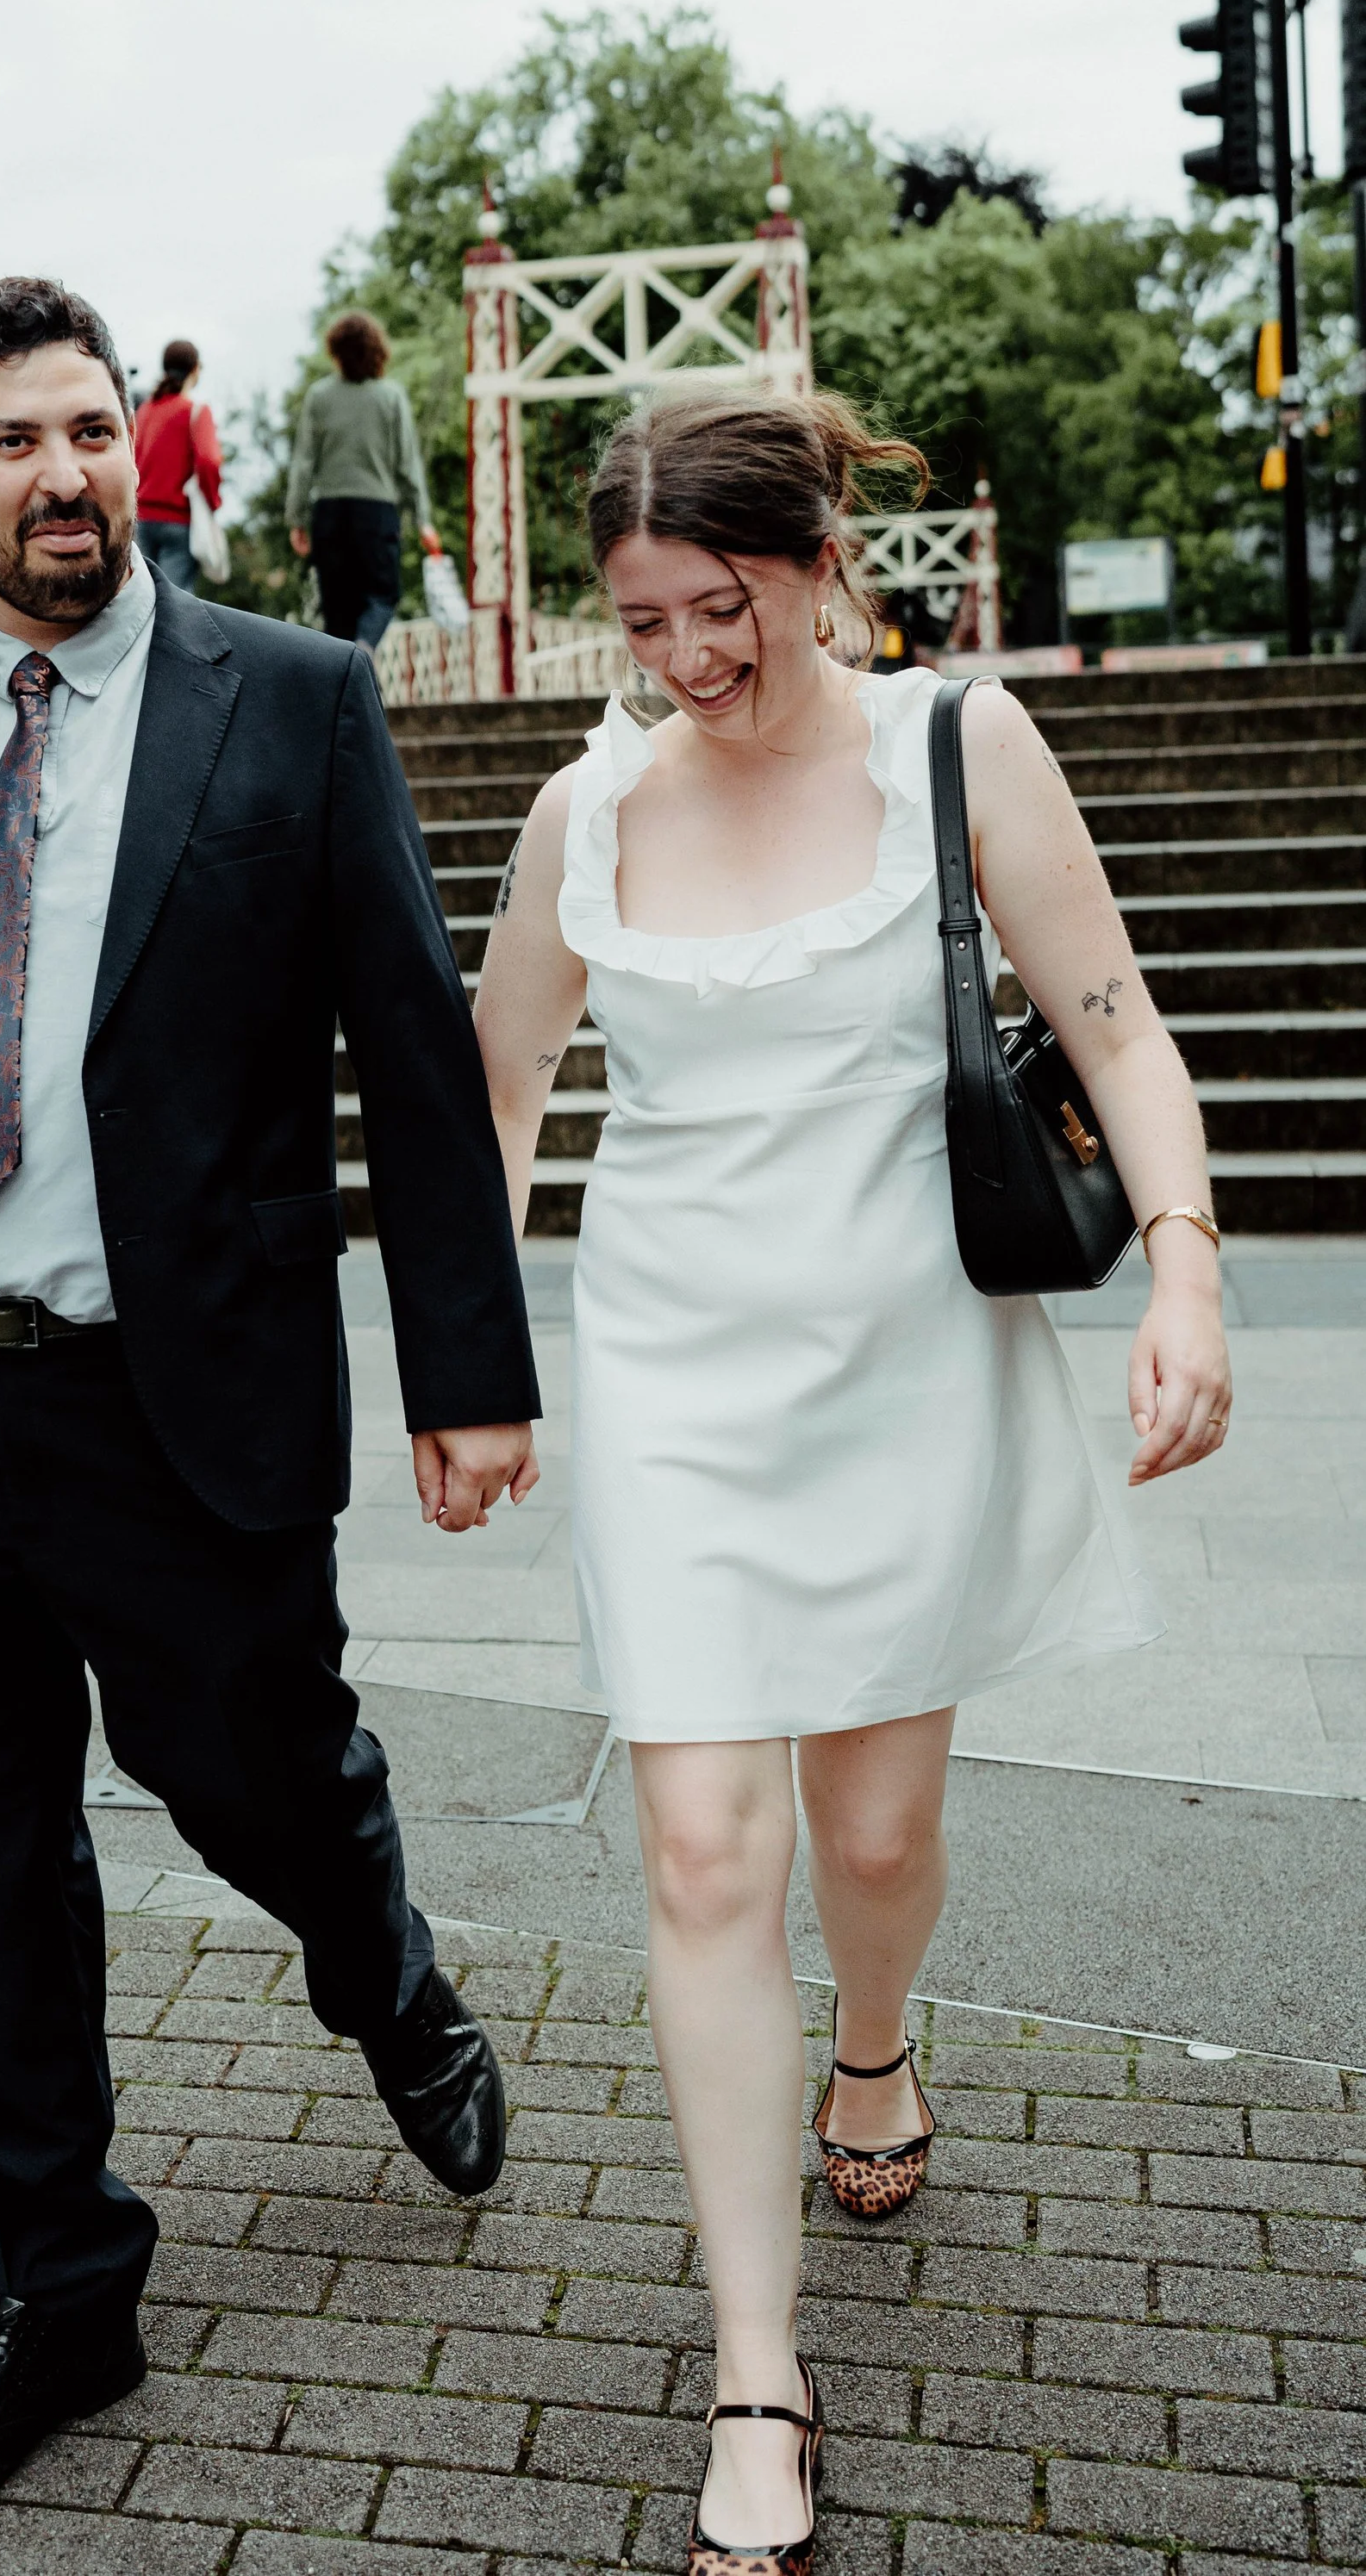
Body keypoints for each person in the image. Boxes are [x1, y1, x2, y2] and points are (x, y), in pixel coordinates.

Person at [0, 276, 540, 2536]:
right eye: (15, 442)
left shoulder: (294, 699)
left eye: (92, 434)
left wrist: (464, 1367)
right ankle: (55, 2286)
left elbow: (410, 1050)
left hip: (183, 1409)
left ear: (135, 460)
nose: (66, 475)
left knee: (252, 1775)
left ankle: (378, 1955)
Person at [471, 389, 1230, 2574]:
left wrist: (1181, 1268)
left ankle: (876, 2045)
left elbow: (1117, 1021)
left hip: (911, 1351)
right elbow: (494, 1083)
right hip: (678, 1376)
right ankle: (756, 2371)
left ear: (814, 560)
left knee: (870, 1826)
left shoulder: (955, 749)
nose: (692, 655)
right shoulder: (582, 809)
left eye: (727, 604)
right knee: (705, 1852)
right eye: (644, 621)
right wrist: (469, 1354)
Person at [286, 308, 443, 651]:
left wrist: (296, 519)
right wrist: (423, 520)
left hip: (329, 515)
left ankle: (346, 683)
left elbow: (303, 463)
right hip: (376, 514)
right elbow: (407, 466)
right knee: (383, 594)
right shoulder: (390, 397)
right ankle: (367, 647)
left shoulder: (319, 396)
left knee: (337, 610)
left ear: (336, 350)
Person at [131, 337, 221, 592]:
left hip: (142, 520)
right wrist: (213, 502)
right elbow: (209, 461)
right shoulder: (195, 411)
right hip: (178, 521)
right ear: (195, 370)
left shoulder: (145, 410)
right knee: (176, 603)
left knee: (144, 598)